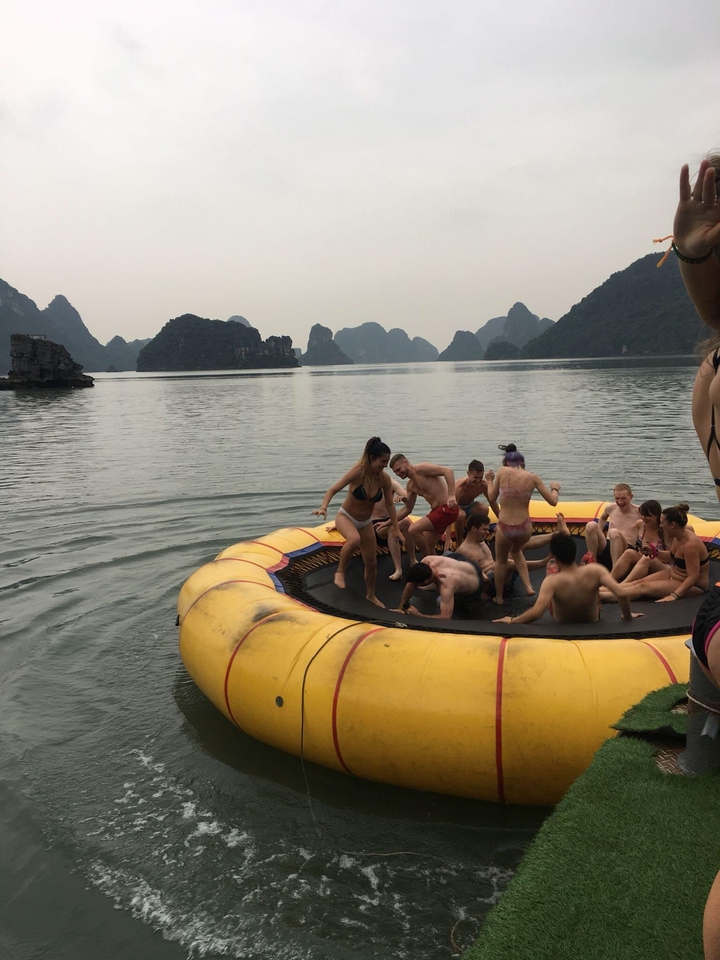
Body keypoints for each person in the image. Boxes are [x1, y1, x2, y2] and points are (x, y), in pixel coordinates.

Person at [312, 437, 403, 606]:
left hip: (365, 522)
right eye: (383, 461)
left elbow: (390, 504)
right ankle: (340, 572)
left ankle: (371, 595)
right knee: (354, 539)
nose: (385, 465)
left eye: (387, 461)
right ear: (372, 458)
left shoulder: (383, 479)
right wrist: (324, 507)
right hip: (346, 516)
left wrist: (396, 528)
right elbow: (333, 489)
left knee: (371, 563)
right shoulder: (357, 473)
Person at [493, 533, 642, 626]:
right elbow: (622, 594)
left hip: (562, 621)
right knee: (590, 557)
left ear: (555, 557)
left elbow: (537, 612)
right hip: (592, 618)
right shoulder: (596, 571)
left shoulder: (552, 581)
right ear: (574, 552)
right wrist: (627, 616)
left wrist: (512, 620)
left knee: (551, 566)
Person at [486, 443, 561, 604]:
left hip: (505, 527)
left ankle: (499, 597)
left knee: (501, 561)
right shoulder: (532, 477)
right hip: (524, 528)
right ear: (522, 463)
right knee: (517, 551)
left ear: (506, 462)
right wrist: (555, 488)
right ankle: (528, 586)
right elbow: (553, 502)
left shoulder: (502, 471)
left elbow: (491, 498)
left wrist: (489, 481)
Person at [599, 504, 709, 603]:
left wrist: (674, 595)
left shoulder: (690, 546)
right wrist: (655, 552)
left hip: (693, 585)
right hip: (674, 574)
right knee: (637, 582)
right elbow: (671, 557)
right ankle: (598, 590)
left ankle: (600, 596)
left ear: (672, 525)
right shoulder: (678, 537)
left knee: (642, 587)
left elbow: (693, 577)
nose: (660, 526)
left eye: (662, 523)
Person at [455, 512, 566, 593]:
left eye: (487, 529)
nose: (487, 532)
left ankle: (556, 535)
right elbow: (464, 574)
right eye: (484, 529)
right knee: (507, 563)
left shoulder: (480, 540)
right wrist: (481, 591)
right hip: (491, 585)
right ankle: (543, 563)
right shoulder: (463, 550)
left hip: (500, 573)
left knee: (519, 545)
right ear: (473, 529)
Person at [389, 454, 457, 564]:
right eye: (395, 472)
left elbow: (448, 471)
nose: (398, 473)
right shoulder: (411, 486)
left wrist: (451, 495)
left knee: (413, 529)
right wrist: (388, 522)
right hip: (437, 512)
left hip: (447, 508)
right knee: (428, 546)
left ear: (406, 462)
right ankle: (436, 569)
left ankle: (426, 561)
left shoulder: (421, 469)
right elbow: (407, 509)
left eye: (399, 469)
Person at [393, 553, 484, 620]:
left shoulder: (446, 586)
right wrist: (401, 608)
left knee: (439, 601)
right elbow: (411, 583)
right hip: (469, 564)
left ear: (426, 582)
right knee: (448, 554)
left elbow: (446, 618)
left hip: (474, 589)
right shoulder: (428, 560)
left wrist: (418, 615)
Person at [584, 483, 642, 569]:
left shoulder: (639, 512)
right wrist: (599, 531)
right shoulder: (611, 508)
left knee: (614, 532)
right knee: (591, 525)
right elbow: (603, 518)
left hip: (626, 548)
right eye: (617, 498)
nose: (620, 502)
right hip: (608, 545)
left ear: (631, 496)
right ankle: (592, 561)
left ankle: (615, 569)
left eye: (623, 498)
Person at [610, 499, 665, 582]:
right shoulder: (640, 525)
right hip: (642, 561)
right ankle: (609, 581)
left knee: (647, 559)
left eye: (647, 515)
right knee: (629, 552)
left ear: (657, 516)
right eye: (642, 515)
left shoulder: (665, 530)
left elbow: (671, 555)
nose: (644, 518)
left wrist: (654, 552)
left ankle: (622, 585)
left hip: (661, 565)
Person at [451, 460, 497, 548]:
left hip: (470, 505)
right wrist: (448, 539)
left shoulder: (483, 485)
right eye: (475, 477)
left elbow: (492, 502)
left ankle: (475, 537)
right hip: (457, 507)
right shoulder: (460, 487)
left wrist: (501, 521)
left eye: (480, 477)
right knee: (461, 515)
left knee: (484, 508)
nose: (478, 480)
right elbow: (449, 508)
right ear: (468, 474)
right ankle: (459, 543)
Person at [372, 478, 407, 580]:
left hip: (389, 519)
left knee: (406, 523)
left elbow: (407, 496)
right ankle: (398, 569)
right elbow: (354, 506)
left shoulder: (391, 483)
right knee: (392, 528)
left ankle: (413, 560)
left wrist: (403, 498)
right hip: (374, 523)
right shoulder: (366, 483)